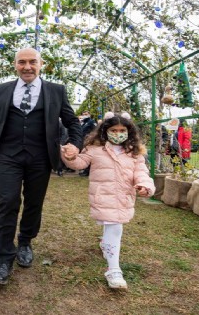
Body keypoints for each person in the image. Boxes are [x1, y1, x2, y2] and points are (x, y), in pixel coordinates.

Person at [0, 47, 82, 285]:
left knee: (34, 203)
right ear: (15, 64)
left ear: (41, 64)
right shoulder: (1, 89)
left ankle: (25, 241)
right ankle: (4, 258)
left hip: (40, 157)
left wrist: (75, 144)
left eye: (32, 62)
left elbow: (72, 122)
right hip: (8, 156)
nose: (27, 67)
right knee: (7, 202)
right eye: (22, 62)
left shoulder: (56, 91)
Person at [60, 111, 154, 289]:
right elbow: (79, 163)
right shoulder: (95, 150)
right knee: (115, 227)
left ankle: (106, 245)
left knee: (113, 225)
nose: (118, 134)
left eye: (121, 130)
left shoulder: (134, 153)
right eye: (113, 130)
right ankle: (114, 270)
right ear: (105, 131)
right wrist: (69, 156)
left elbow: (141, 172)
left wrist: (144, 185)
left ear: (129, 132)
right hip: (102, 195)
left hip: (124, 196)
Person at [78, 111, 97, 176]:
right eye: (83, 114)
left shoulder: (91, 122)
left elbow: (96, 130)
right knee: (84, 155)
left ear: (89, 114)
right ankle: (85, 169)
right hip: (83, 141)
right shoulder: (84, 122)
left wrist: (91, 138)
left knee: (88, 155)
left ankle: (87, 171)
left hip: (89, 141)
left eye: (86, 114)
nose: (84, 115)